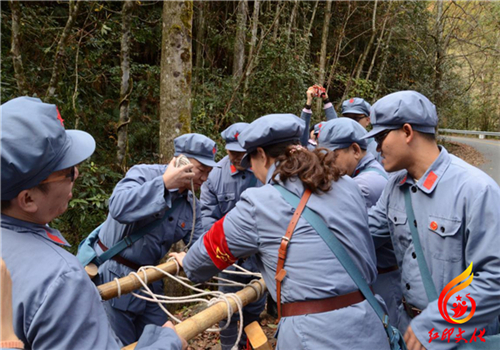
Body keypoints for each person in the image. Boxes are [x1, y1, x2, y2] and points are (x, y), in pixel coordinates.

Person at [171, 114, 391, 349]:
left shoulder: (259, 203)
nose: (252, 171)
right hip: (369, 325)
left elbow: (200, 261)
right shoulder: (347, 185)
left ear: (262, 156)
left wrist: (187, 261)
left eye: (250, 162)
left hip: (314, 336)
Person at [0, 96, 186, 350]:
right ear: (28, 198)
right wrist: (168, 343)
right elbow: (119, 207)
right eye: (66, 171)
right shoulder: (61, 281)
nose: (76, 173)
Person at [365, 91, 500, 350]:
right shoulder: (395, 186)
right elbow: (364, 232)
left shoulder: (475, 190)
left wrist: (437, 325)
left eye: (381, 137)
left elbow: (494, 279)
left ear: (407, 132)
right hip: (410, 331)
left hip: (462, 336)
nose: (377, 148)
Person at [94, 133, 217, 345]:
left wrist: (189, 257)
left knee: (163, 336)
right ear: (182, 162)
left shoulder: (191, 205)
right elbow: (118, 207)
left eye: (209, 172)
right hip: (114, 274)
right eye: (202, 171)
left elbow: (201, 242)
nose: (204, 178)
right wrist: (164, 184)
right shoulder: (143, 174)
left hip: (150, 279)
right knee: (120, 343)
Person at [317, 117, 402, 328]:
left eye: (331, 158)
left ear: (355, 150)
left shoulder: (363, 184)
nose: (326, 166)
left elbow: (345, 239)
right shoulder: (368, 173)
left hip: (385, 278)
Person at [200, 122, 265, 350]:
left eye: (242, 152)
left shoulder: (265, 171)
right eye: (233, 153)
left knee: (255, 309)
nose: (238, 157)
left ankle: (250, 345)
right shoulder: (214, 176)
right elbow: (207, 217)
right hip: (228, 261)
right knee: (228, 312)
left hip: (260, 259)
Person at [341, 97, 381, 161]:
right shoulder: (339, 144)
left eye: (355, 119)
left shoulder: (377, 148)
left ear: (368, 120)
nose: (350, 123)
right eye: (347, 119)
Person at [299, 85, 337, 150]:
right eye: (316, 134)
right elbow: (302, 132)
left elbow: (336, 129)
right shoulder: (305, 148)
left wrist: (326, 100)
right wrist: (308, 102)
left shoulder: (330, 148)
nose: (318, 136)